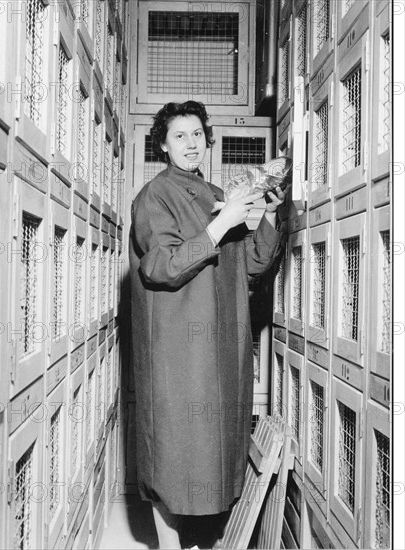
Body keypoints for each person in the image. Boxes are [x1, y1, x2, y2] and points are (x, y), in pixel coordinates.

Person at [129, 101, 287, 549]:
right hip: (179, 349)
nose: (191, 143)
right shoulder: (154, 196)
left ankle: (203, 540)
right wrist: (221, 225)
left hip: (220, 345)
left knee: (213, 453)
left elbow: (251, 265)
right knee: (174, 453)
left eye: (197, 134)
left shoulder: (217, 193)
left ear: (208, 140)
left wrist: (268, 215)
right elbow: (161, 266)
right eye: (180, 135)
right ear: (162, 144)